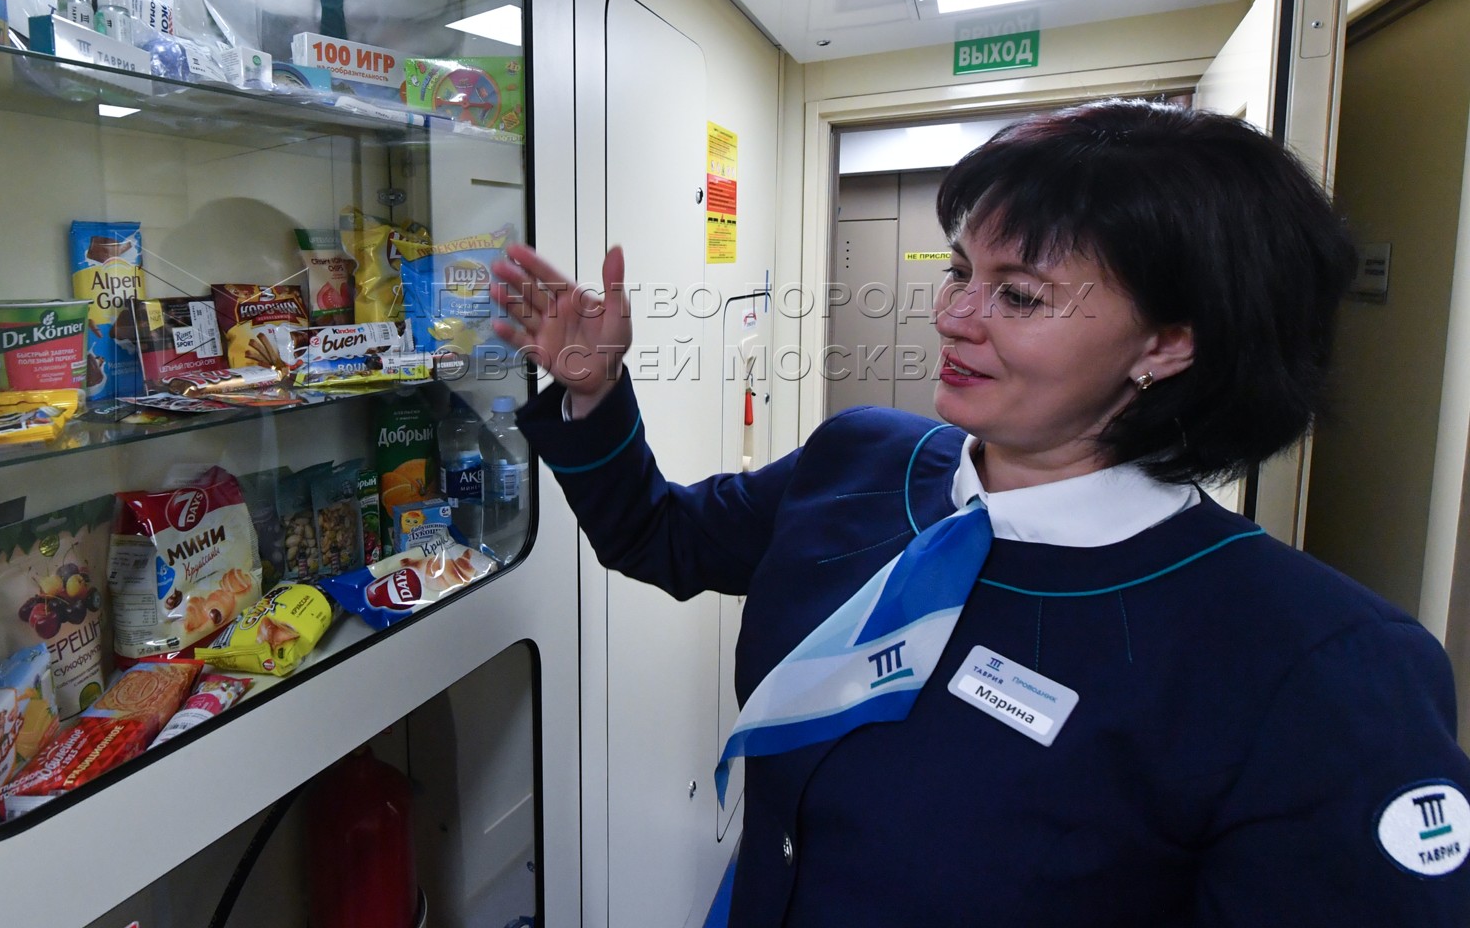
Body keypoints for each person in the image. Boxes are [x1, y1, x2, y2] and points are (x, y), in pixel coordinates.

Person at [489, 100, 1470, 928]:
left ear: (1168, 343)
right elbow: (658, 537)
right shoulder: (861, 458)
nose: (954, 316)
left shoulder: (1318, 669)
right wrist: (592, 393)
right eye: (961, 272)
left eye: (1022, 295)